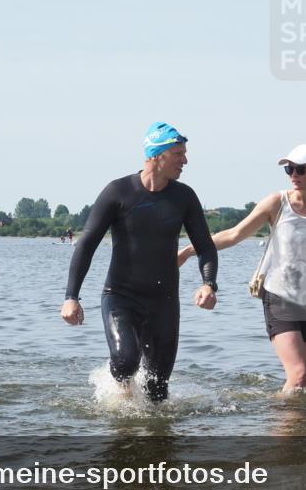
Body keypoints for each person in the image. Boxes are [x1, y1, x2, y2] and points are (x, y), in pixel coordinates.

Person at [178, 144, 306, 393]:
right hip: (279, 296)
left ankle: (294, 417)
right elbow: (234, 235)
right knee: (298, 374)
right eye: (289, 169)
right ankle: (279, 417)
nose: (293, 174)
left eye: (300, 169)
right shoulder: (277, 203)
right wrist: (189, 250)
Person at [60, 122, 218, 402]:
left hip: (164, 301)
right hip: (121, 297)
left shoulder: (184, 197)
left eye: (184, 154)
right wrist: (71, 297)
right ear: (156, 155)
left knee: (158, 390)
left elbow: (205, 246)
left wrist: (209, 284)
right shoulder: (118, 192)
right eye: (178, 154)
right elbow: (86, 245)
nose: (185, 161)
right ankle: (120, 398)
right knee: (126, 362)